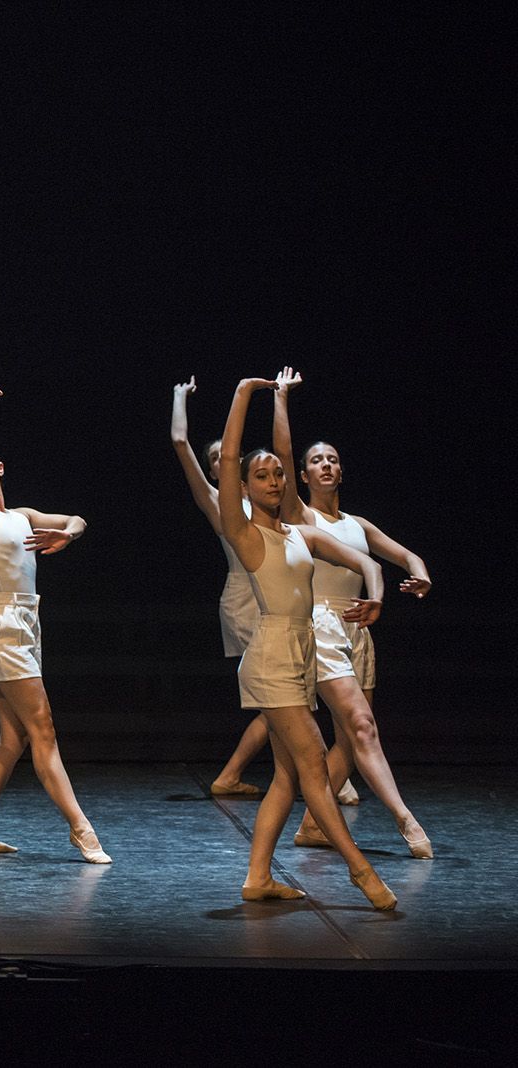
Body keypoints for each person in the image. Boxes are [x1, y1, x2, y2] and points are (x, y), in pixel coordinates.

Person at [217, 376, 395, 908]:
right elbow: (228, 458)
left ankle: (257, 878)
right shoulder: (246, 533)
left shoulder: (300, 533)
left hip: (302, 654)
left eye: (277, 474)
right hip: (271, 656)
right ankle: (361, 873)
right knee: (316, 766)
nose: (272, 481)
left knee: (287, 778)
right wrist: (245, 395)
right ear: (246, 488)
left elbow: (363, 559)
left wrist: (378, 595)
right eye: (261, 475)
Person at [0, 380, 110, 864]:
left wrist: (67, 537)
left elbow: (77, 518)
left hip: (26, 623)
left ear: (1, 466)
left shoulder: (20, 515)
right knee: (43, 731)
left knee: (12, 740)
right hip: (2, 625)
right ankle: (81, 829)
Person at [273, 372, 433, 858]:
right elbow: (281, 453)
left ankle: (312, 826)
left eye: (333, 460)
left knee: (349, 736)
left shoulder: (358, 525)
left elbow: (408, 557)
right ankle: (406, 820)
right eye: (316, 460)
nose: (325, 465)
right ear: (302, 475)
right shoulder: (301, 516)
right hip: (319, 626)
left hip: (359, 629)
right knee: (362, 727)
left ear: (342, 472)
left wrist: (421, 574)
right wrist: (280, 399)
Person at [170, 377, 270, 796]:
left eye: (225, 455)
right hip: (245, 599)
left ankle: (309, 773)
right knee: (278, 698)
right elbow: (179, 441)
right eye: (214, 458)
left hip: (277, 597)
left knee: (290, 694)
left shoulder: (267, 495)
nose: (220, 460)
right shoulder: (216, 501)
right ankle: (232, 774)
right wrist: (179, 397)